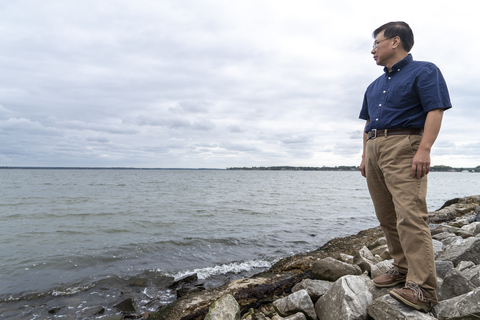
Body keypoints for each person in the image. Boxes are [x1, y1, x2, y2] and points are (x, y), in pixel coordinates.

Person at [359, 21, 451, 312]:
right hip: (374, 147)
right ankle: (401, 268)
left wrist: (424, 149)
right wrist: (364, 156)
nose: (373, 49)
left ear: (395, 41)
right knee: (386, 215)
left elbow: (435, 109)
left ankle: (423, 289)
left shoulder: (425, 71)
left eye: (376, 43)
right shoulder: (373, 86)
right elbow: (367, 123)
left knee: (410, 216)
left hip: (404, 145)